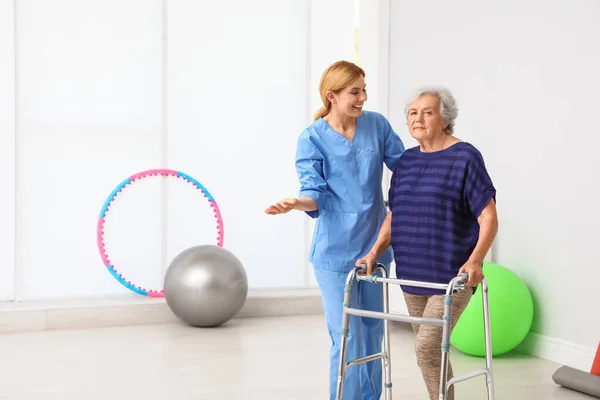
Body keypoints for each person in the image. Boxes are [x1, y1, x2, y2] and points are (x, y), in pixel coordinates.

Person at [264, 60, 405, 400]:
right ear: (332, 96)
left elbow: (405, 169)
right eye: (355, 92)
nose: (363, 98)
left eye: (364, 90)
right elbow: (314, 192)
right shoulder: (312, 139)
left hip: (375, 247)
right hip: (334, 253)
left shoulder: (377, 125)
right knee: (347, 335)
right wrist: (297, 203)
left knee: (372, 331)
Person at [356, 87, 498, 400]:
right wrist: (373, 252)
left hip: (452, 277)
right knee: (430, 353)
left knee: (427, 346)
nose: (418, 118)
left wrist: (475, 261)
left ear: (445, 119)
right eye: (412, 113)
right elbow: (395, 215)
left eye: (428, 112)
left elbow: (488, 217)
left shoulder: (465, 157)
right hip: (411, 274)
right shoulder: (406, 161)